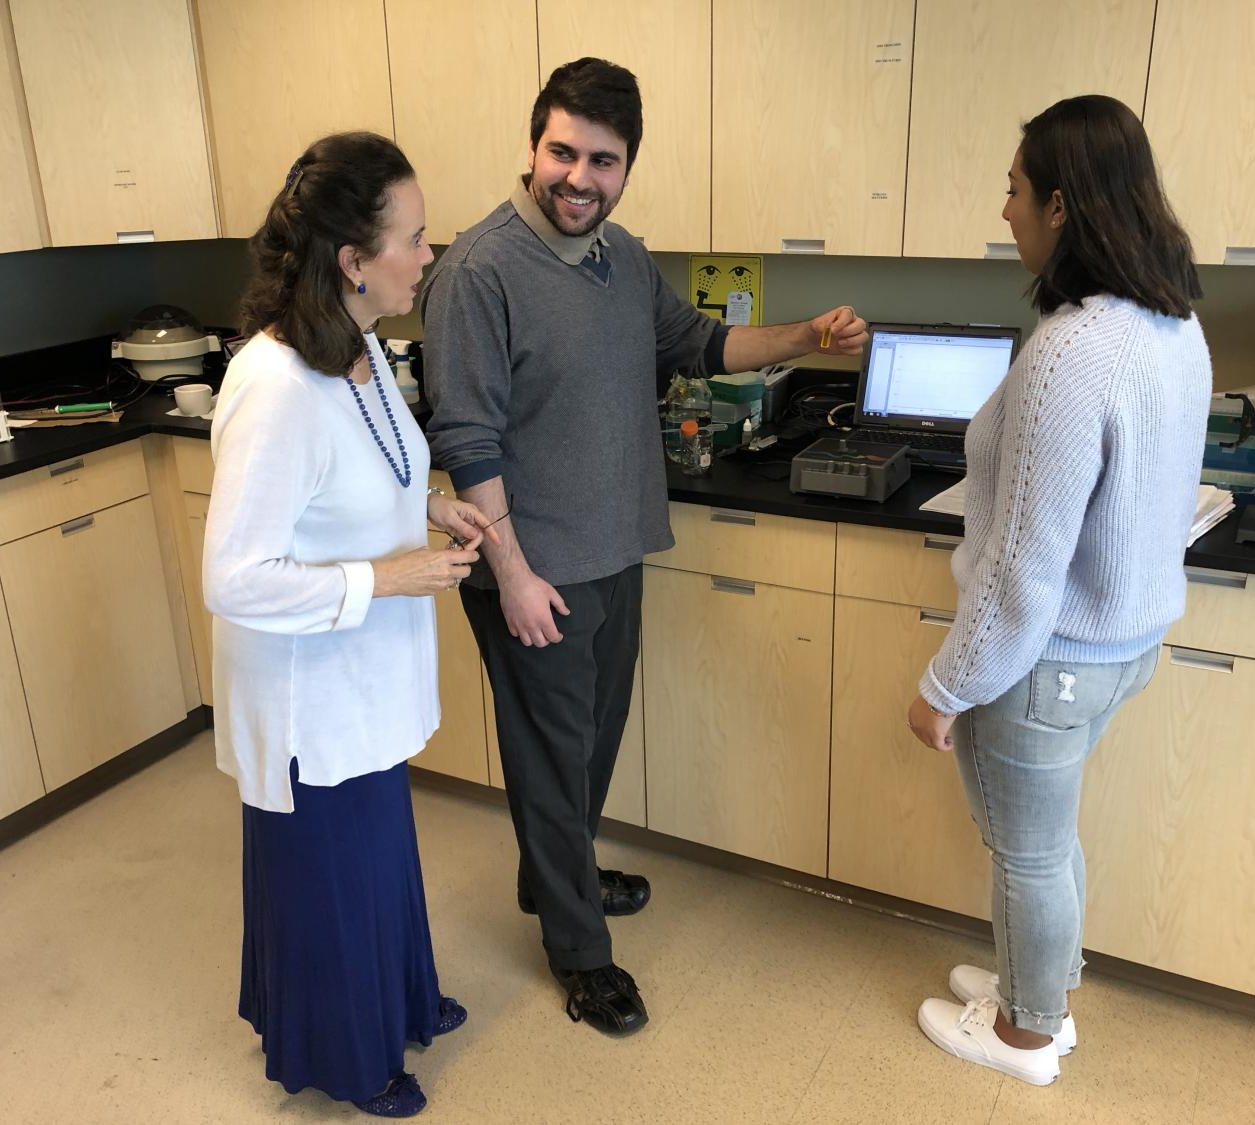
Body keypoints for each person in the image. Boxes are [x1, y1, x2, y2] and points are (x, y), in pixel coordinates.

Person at [421, 57, 868, 1035]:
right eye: (563, 152)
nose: (579, 178)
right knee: (550, 758)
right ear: (533, 144)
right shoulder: (478, 272)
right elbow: (466, 443)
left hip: (616, 547)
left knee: (590, 746)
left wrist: (806, 337)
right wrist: (514, 575)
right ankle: (581, 956)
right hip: (533, 568)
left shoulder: (623, 258)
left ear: (628, 167)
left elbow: (702, 345)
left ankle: (558, 880)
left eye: (602, 161)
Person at [905, 95, 1212, 1086]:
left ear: (1064, 207)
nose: (1005, 211)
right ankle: (1043, 984)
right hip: (1122, 649)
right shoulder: (1171, 323)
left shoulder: (1072, 353)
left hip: (1049, 665)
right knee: (1043, 843)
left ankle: (1029, 1035)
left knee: (1025, 855)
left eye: (1014, 189)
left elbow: (1020, 572)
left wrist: (945, 687)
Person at [204, 132, 499, 1117]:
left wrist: (428, 511)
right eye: (414, 238)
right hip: (307, 698)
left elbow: (359, 479)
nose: (429, 255)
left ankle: (399, 1003)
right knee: (330, 879)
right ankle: (346, 1054)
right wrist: (388, 572)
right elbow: (234, 576)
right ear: (352, 261)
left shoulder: (364, 344)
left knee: (379, 861)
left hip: (365, 673)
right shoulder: (273, 385)